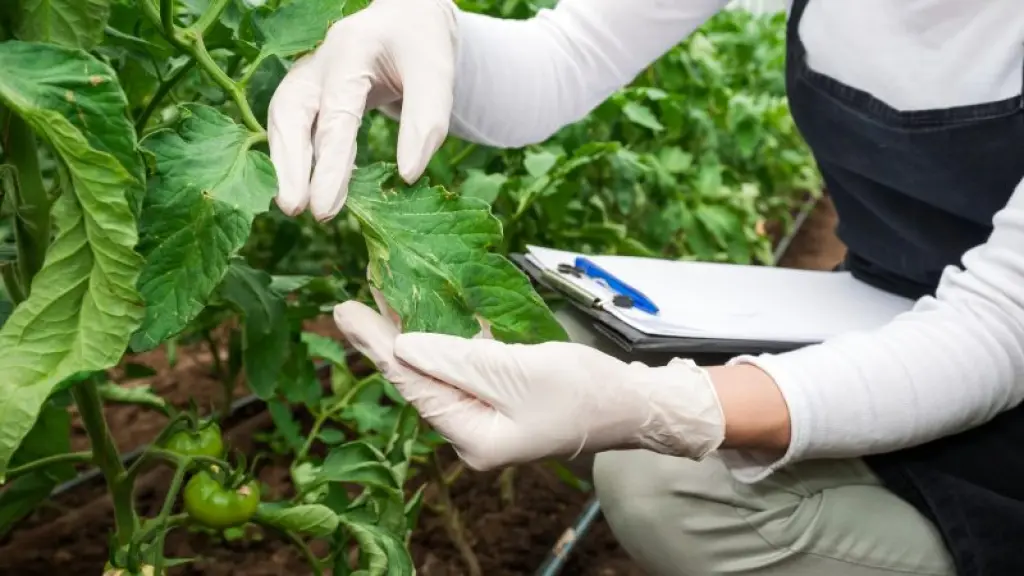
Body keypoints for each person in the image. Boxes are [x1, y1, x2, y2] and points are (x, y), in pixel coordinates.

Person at [266, 0, 1024, 574]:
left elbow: (997, 331)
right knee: (541, 336)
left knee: (658, 481)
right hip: (883, 309)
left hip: (998, 371)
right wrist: (430, 40)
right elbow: (568, 53)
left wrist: (669, 407)